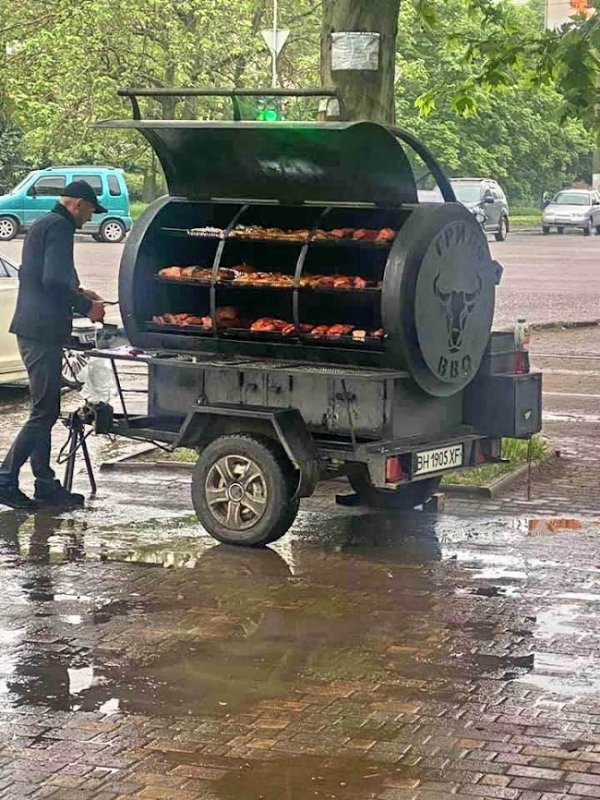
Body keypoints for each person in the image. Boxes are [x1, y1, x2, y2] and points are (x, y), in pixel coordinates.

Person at [0, 181, 106, 511]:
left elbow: (48, 278)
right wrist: (87, 307)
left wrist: (82, 292)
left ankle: (45, 485)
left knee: (44, 409)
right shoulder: (60, 227)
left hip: (36, 328)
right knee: (44, 411)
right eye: (90, 210)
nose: (90, 218)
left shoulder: (46, 224)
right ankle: (5, 478)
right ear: (77, 204)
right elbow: (53, 281)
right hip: (40, 331)